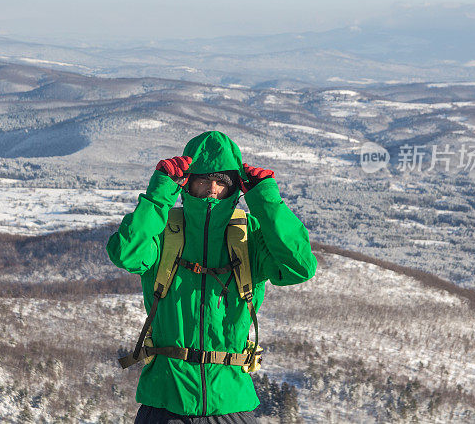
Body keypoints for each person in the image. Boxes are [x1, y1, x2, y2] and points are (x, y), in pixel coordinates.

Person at [106, 131, 317, 422]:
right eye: (203, 179)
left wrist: (266, 199)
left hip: (230, 403)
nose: (212, 189)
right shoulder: (165, 230)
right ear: (187, 182)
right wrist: (159, 193)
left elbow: (299, 266)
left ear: (235, 188)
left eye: (222, 182)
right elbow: (126, 253)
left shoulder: (249, 235)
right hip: (165, 401)